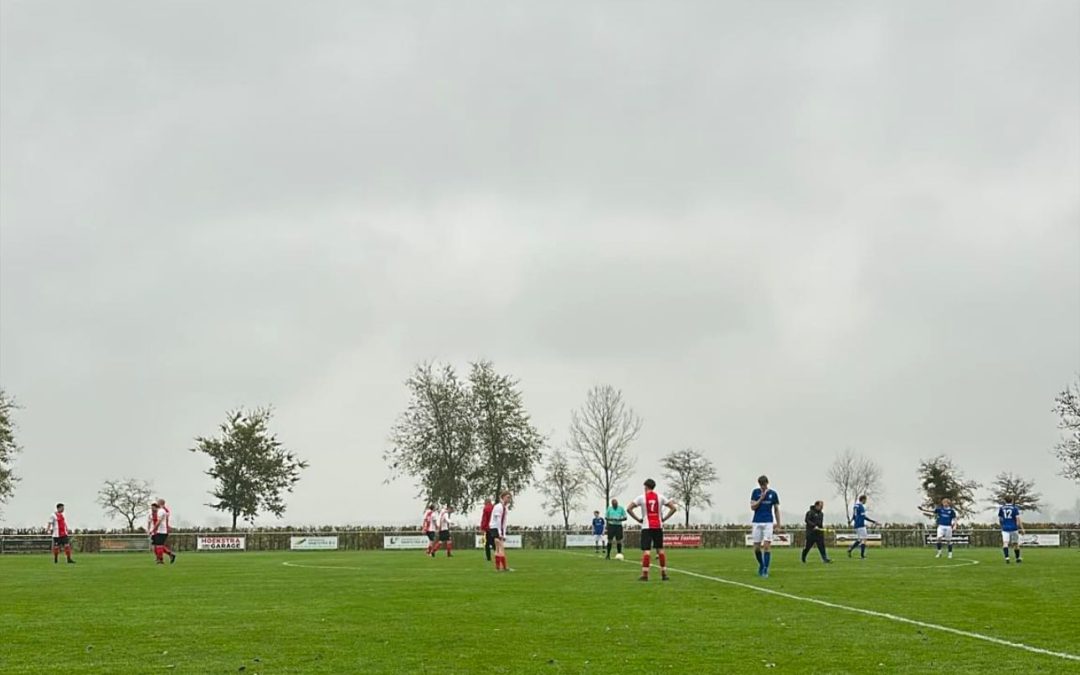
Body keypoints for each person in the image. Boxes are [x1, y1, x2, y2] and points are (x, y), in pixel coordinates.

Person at [627, 478, 677, 582]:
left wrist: (638, 519)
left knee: (647, 551)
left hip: (647, 527)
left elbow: (629, 508)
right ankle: (664, 574)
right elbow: (673, 508)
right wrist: (664, 519)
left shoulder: (641, 498)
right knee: (660, 550)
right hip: (658, 526)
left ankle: (645, 575)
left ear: (645, 486)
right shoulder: (660, 497)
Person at [750, 475, 781, 578]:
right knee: (756, 548)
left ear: (767, 483)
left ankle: (765, 569)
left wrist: (778, 524)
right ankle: (762, 564)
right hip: (757, 522)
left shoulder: (773, 494)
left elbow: (776, 509)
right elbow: (753, 507)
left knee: (767, 546)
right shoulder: (755, 493)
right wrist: (760, 499)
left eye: (764, 484)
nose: (763, 486)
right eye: (761, 485)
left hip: (768, 522)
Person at [847, 495, 879, 559]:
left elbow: (854, 516)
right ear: (863, 499)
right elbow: (864, 517)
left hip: (856, 525)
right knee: (864, 539)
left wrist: (850, 521)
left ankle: (850, 549)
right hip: (861, 525)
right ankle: (862, 556)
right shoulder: (861, 507)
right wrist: (874, 521)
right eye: (865, 500)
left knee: (859, 539)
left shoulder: (855, 506)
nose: (866, 501)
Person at [489, 491, 512, 571]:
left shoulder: (505, 508)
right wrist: (499, 533)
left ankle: (500, 567)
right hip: (495, 528)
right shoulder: (498, 507)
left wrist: (504, 533)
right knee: (500, 547)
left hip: (499, 529)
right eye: (507, 497)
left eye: (509, 497)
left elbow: (504, 522)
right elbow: (498, 521)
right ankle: (502, 567)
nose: (509, 499)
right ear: (503, 497)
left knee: (499, 548)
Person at [998, 498, 1025, 564]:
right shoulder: (1015, 508)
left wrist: (1002, 526)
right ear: (1012, 501)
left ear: (1005, 501)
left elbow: (1000, 519)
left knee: (1005, 543)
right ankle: (1017, 558)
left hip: (1005, 528)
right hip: (1013, 528)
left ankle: (1007, 558)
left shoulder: (1002, 508)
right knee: (1016, 544)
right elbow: (1018, 519)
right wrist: (1022, 528)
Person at [156, 498, 177, 563]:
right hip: (162, 529)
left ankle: (160, 559)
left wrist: (155, 528)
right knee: (158, 545)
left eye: (157, 503)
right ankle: (167, 555)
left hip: (162, 529)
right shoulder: (163, 510)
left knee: (159, 545)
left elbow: (162, 519)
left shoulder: (163, 510)